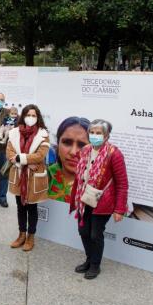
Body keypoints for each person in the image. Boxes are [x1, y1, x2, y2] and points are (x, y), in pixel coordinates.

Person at [69, 119, 128, 280]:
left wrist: (119, 209)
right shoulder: (86, 150)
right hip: (84, 198)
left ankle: (95, 265)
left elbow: (122, 184)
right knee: (83, 231)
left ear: (107, 135)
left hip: (102, 201)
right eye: (92, 132)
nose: (95, 135)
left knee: (95, 234)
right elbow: (80, 175)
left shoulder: (114, 153)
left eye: (99, 133)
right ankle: (89, 259)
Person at [6, 105, 50, 252]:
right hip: (19, 176)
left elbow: (40, 155)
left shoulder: (43, 134)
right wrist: (25, 162)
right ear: (23, 116)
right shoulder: (13, 133)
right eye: (28, 115)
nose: (31, 118)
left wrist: (20, 159)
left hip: (34, 178)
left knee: (32, 208)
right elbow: (9, 153)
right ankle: (21, 234)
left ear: (38, 118)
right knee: (20, 207)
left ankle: (31, 236)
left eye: (34, 115)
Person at [48, 117, 90, 202]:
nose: (73, 152)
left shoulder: (96, 184)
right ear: (58, 144)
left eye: (82, 146)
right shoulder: (45, 175)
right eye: (67, 142)